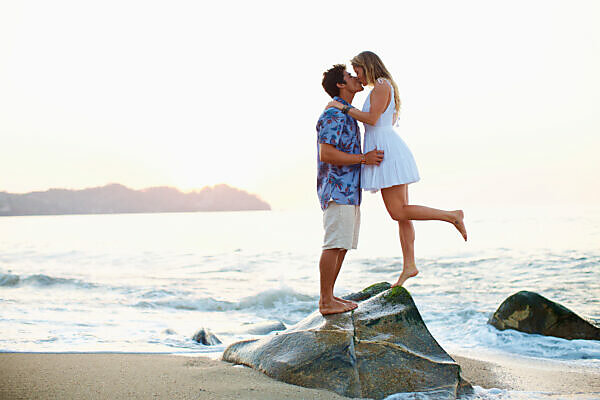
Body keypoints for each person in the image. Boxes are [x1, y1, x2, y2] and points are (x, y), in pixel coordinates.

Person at [327, 51, 467, 289]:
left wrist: (342, 108)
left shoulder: (381, 85)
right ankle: (409, 266)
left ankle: (452, 215)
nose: (357, 75)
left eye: (357, 70)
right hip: (387, 148)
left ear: (367, 66)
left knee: (398, 212)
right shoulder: (381, 87)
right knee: (403, 215)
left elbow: (371, 119)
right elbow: (381, 122)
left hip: (386, 153)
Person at [316, 64, 384, 315]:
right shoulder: (333, 115)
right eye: (349, 76)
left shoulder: (346, 114)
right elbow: (327, 153)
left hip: (348, 190)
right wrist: (364, 159)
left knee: (342, 244)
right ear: (340, 85)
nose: (356, 78)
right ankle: (325, 301)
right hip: (337, 189)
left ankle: (330, 297)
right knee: (333, 244)